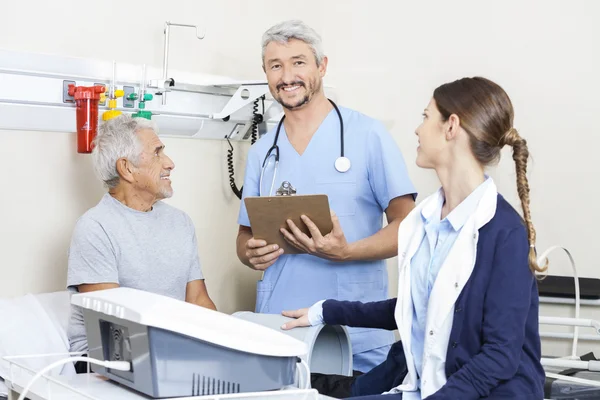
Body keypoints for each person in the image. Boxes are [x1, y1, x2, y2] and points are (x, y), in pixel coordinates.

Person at [282, 77, 547, 399]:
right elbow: (420, 309)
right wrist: (325, 311)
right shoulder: (423, 222)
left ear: (451, 126)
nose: (418, 130)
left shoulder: (504, 233)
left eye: (425, 117)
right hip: (421, 386)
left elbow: (499, 357)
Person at [236, 19, 416, 373]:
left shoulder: (367, 136)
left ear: (322, 66)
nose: (287, 75)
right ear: (266, 73)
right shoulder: (262, 152)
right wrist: (249, 253)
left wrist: (347, 251)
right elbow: (244, 237)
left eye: (299, 62)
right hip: (280, 330)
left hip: (356, 333)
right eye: (276, 65)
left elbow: (409, 224)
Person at [67, 115, 216, 367]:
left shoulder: (180, 223)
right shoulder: (95, 228)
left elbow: (199, 302)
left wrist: (225, 345)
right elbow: (112, 327)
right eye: (157, 153)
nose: (170, 163)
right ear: (126, 168)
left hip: (169, 350)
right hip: (107, 359)